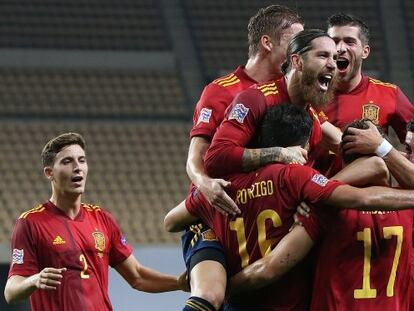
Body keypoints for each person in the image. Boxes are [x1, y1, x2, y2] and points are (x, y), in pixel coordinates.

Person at [166, 104, 414, 310]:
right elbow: (373, 179)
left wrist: (219, 286)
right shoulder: (405, 209)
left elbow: (171, 222)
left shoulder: (318, 206)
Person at [181, 5, 304, 311]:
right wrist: (205, 183)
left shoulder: (291, 92)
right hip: (213, 215)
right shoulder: (221, 91)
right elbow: (196, 157)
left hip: (262, 216)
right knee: (211, 296)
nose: (302, 50)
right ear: (268, 43)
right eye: (295, 40)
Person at [4, 133, 187, 311]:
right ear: (49, 172)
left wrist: (179, 282)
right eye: (67, 161)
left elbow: (137, 276)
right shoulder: (30, 223)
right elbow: (11, 291)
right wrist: (34, 280)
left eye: (81, 160)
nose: (78, 167)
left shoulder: (102, 219)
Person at [203, 29, 341, 178]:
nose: (333, 65)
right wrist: (278, 153)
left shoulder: (314, 121)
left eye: (335, 58)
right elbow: (215, 158)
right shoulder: (256, 98)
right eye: (323, 55)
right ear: (297, 61)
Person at [314, 13, 414, 176]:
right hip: (316, 197)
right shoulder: (309, 95)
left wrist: (391, 156)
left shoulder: (389, 94)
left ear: (365, 51)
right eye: (334, 41)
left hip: (370, 196)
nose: (340, 48)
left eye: (349, 41)